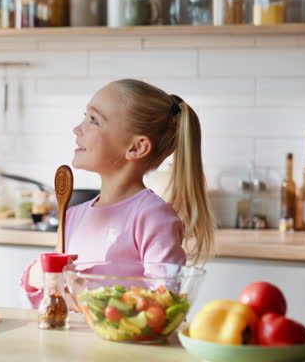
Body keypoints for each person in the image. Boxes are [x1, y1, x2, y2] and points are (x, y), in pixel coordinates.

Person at [20, 79, 216, 306]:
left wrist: (86, 289)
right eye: (85, 116)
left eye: (93, 120)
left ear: (136, 147)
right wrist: (38, 277)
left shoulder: (153, 217)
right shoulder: (73, 215)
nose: (77, 128)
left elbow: (163, 302)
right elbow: (53, 301)